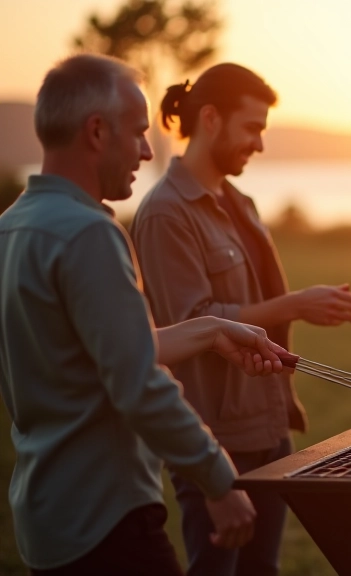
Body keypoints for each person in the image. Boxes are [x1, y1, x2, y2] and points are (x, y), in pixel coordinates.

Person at [0, 53, 289, 575]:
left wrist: (211, 329)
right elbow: (137, 382)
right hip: (106, 517)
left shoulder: (12, 228)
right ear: (95, 132)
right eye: (136, 132)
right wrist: (218, 477)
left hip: (46, 516)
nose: (146, 149)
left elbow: (102, 351)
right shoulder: (90, 233)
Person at [130, 63, 351, 576]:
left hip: (268, 424)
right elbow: (191, 323)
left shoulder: (241, 202)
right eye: (252, 127)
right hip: (216, 436)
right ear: (210, 118)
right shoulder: (166, 213)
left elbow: (248, 302)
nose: (259, 143)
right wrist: (295, 304)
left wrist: (302, 305)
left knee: (263, 570)